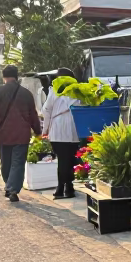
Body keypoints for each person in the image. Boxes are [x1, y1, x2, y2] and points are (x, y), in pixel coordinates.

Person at [0, 65, 41, 203]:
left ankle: (9, 186)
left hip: (3, 133)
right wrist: (38, 131)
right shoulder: (26, 93)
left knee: (6, 162)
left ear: (3, 77)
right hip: (22, 134)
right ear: (17, 76)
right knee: (18, 163)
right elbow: (33, 115)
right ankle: (12, 189)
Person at [41, 68, 81, 199]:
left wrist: (45, 129)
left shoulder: (55, 91)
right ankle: (69, 187)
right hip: (74, 127)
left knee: (62, 159)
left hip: (57, 128)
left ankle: (60, 188)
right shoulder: (79, 91)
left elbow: (46, 110)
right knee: (71, 159)